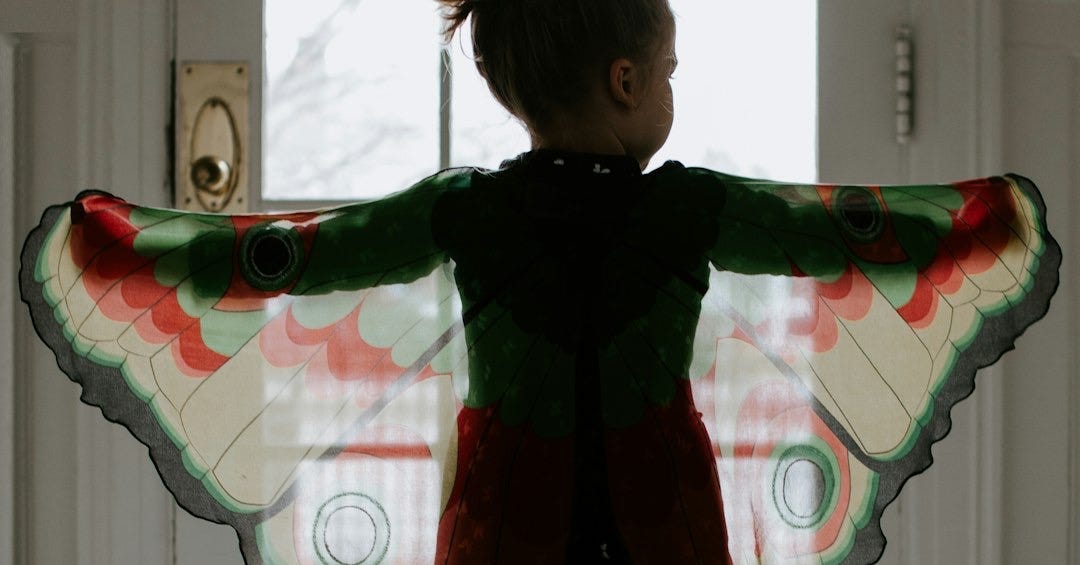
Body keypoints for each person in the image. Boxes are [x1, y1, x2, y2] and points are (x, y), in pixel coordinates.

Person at [430, 1, 731, 562]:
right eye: (667, 71)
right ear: (626, 82)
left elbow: (318, 250)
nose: (670, 87)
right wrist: (951, 222)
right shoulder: (689, 211)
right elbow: (836, 232)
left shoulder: (471, 212)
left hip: (506, 523)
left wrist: (214, 251)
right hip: (661, 522)